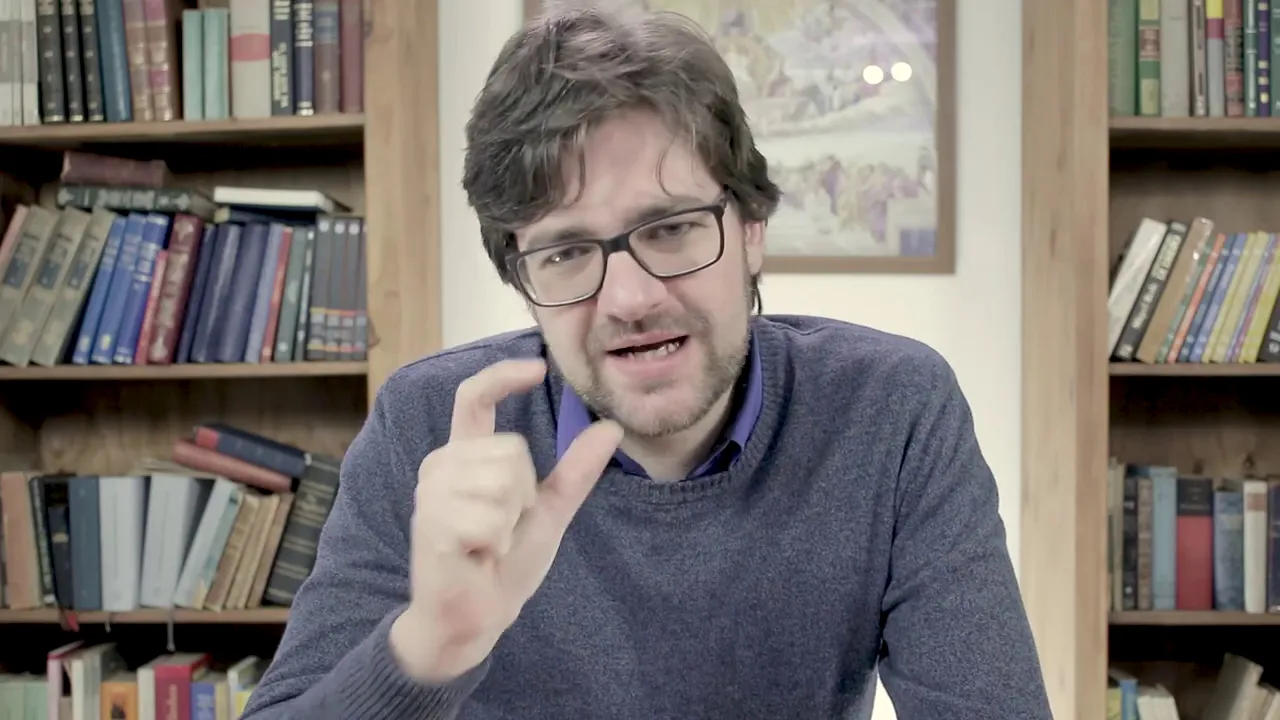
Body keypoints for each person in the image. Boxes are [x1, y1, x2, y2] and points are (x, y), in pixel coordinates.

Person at [239, 5, 1052, 720]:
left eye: (670, 229)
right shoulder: (431, 427)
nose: (628, 299)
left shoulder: (892, 412)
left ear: (752, 230)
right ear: (522, 280)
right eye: (566, 251)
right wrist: (430, 647)